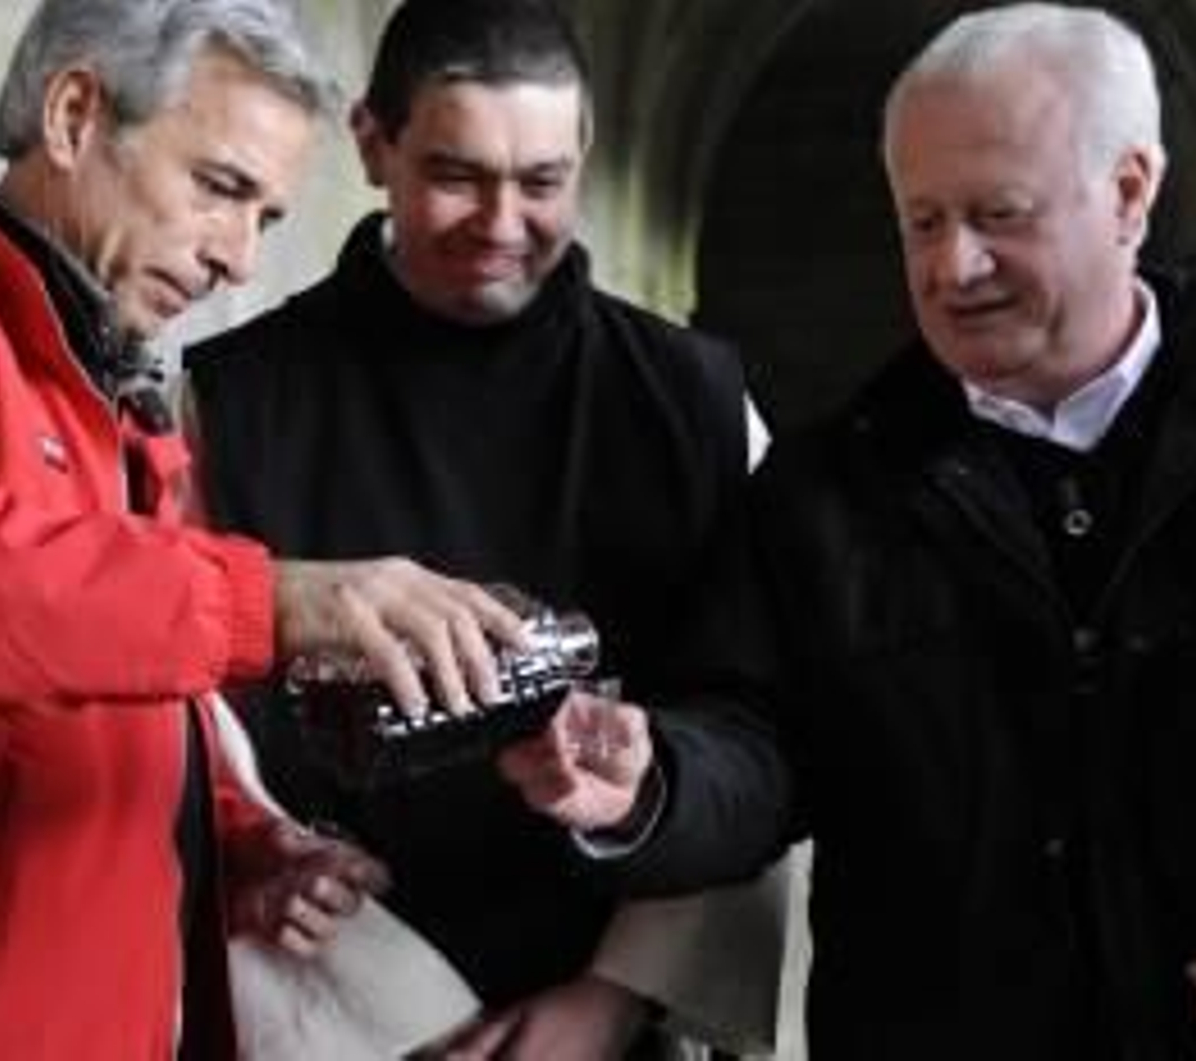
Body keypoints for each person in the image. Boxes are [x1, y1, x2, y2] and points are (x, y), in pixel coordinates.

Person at [499, 4, 1196, 1058]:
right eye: (922, 220)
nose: (952, 266)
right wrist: (653, 781)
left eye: (998, 214)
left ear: (1129, 192)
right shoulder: (823, 491)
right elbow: (753, 737)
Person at [0, 1, 528, 1058]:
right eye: (221, 187)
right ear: (74, 115)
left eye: (266, 219)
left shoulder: (116, 404)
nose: (239, 260)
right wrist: (266, 598)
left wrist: (232, 845)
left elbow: (75, 701)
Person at [183, 0, 783, 1056]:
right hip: (325, 1003)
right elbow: (196, 733)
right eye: (457, 175)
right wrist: (287, 891)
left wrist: (616, 995)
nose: (503, 223)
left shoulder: (696, 402)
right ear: (374, 144)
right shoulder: (233, 400)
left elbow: (762, 723)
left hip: (617, 1013)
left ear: (583, 156)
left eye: (542, 182)